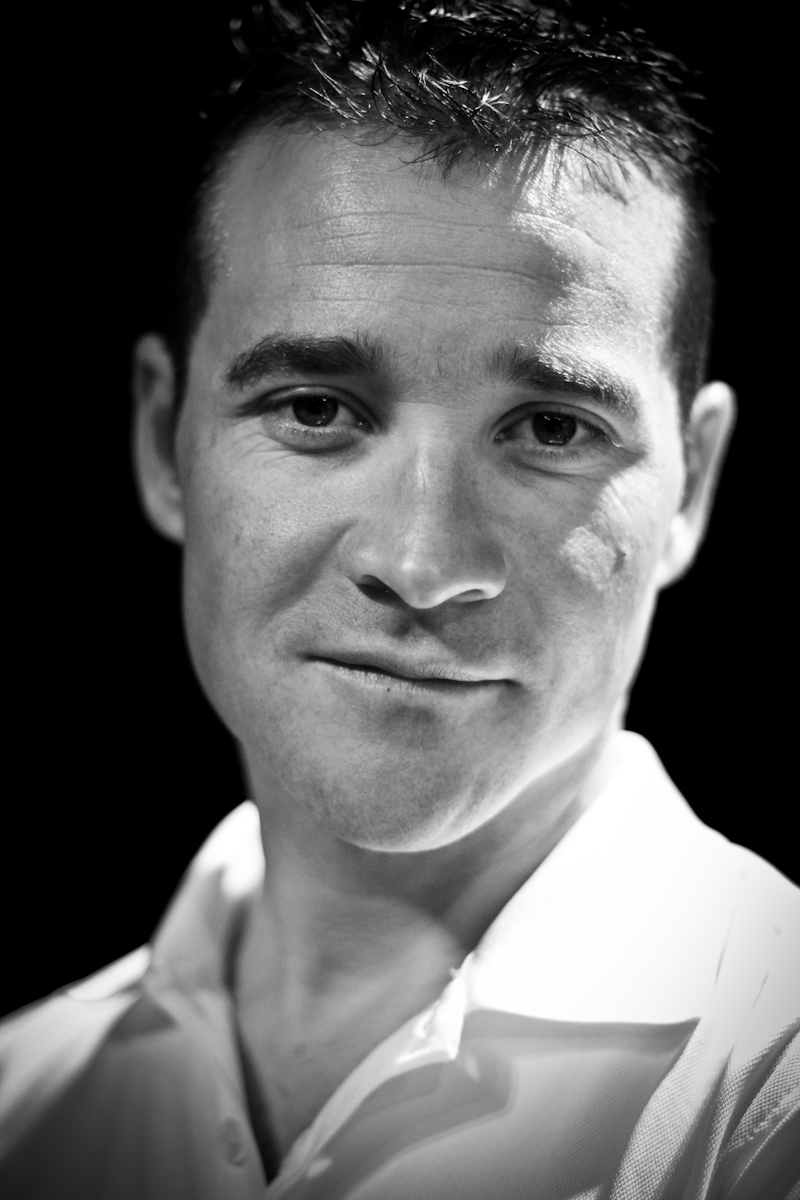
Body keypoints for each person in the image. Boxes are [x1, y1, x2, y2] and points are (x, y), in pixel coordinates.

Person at [1, 1, 798, 1196]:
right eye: (315, 409)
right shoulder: (21, 1105)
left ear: (691, 483)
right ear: (166, 441)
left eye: (549, 429)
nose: (422, 564)